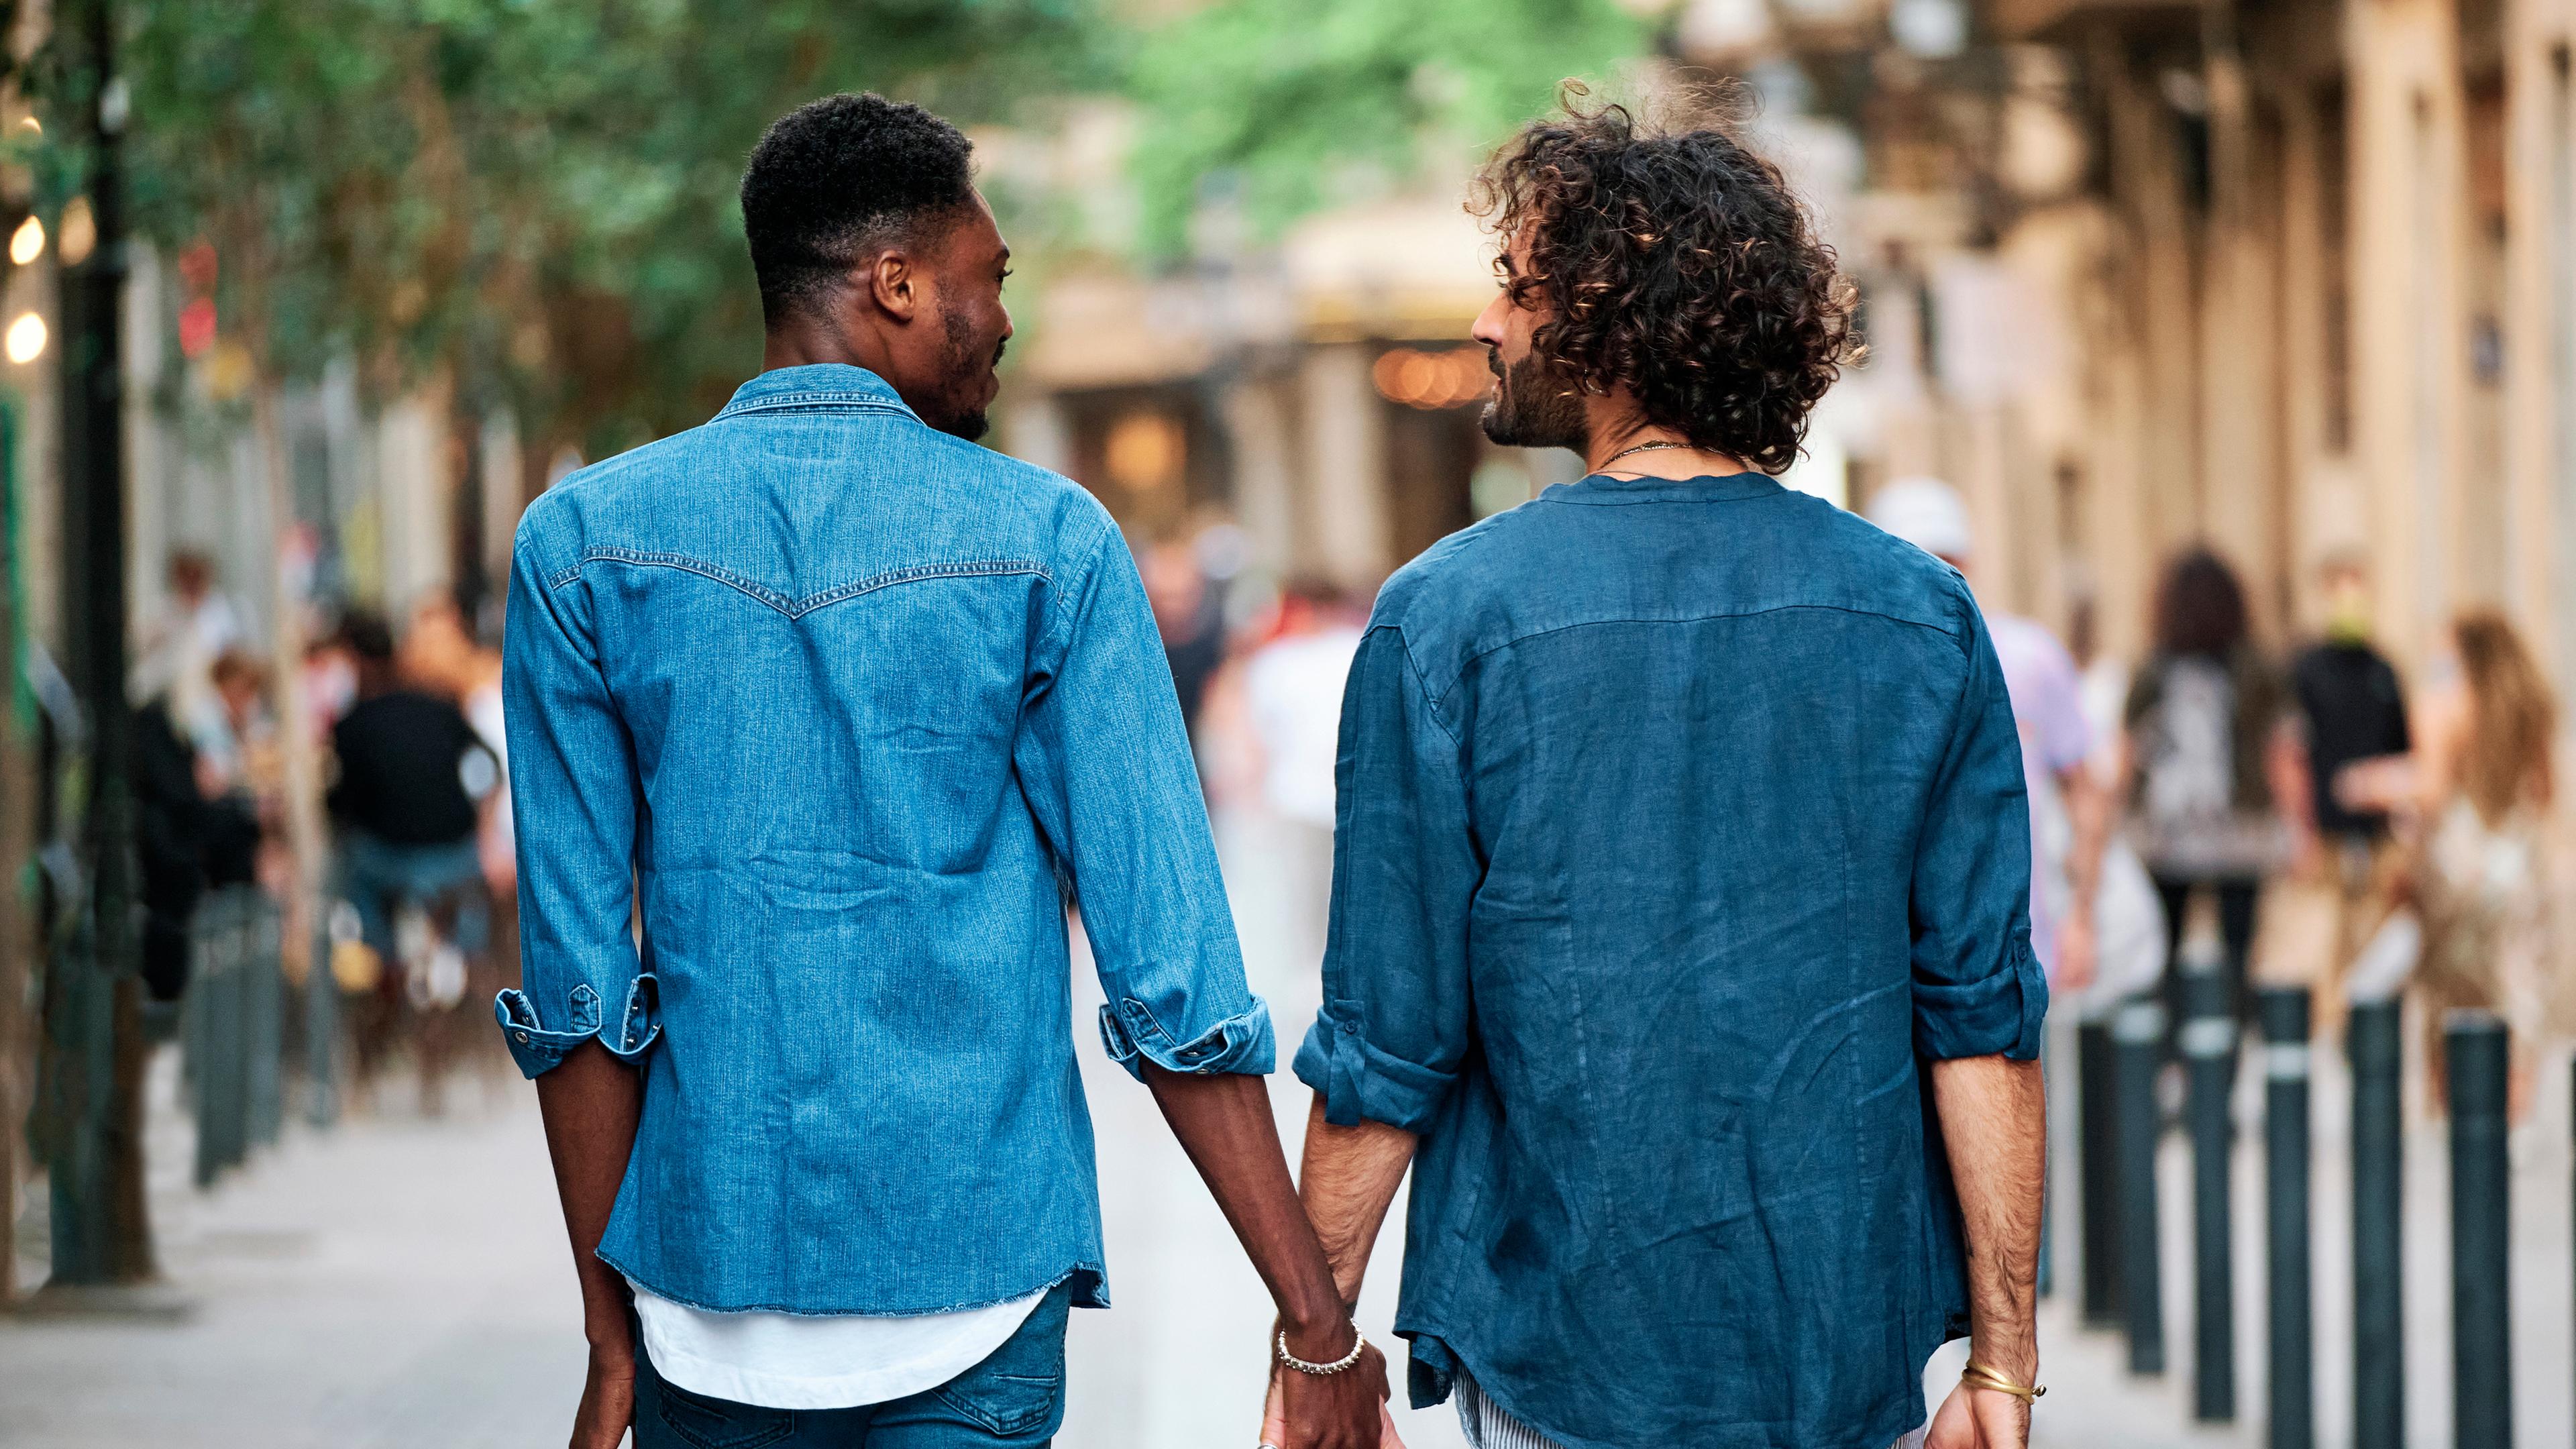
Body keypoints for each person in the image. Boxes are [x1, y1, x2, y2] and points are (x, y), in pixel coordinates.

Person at [498, 93, 1387, 1449]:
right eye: (993, 277)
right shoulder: (1051, 543)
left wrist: (609, 1337)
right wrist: (1314, 1327)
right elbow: (1172, 977)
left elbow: (575, 989)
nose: (1008, 318)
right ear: (897, 284)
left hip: (699, 1301)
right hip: (975, 1291)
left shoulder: (581, 543)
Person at [1277, 96, 2047, 1449]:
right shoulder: (1921, 616)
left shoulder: (1448, 618)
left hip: (1567, 1358)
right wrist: (2002, 1363)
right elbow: (1980, 1016)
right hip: (1840, 1354)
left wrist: (1316, 1345)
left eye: (1516, 289)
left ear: (1609, 322)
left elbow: (1389, 1046)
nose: (1486, 326)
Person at [1866, 478, 2108, 994]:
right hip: (1895, 971)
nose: (1928, 578)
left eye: (1943, 560)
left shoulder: (2028, 657)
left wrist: (2082, 920)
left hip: (2016, 957)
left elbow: (2086, 792)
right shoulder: (1860, 675)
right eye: (1913, 559)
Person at [2121, 549, 2300, 1022]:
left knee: (2167, 946)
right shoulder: (2255, 668)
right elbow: (2282, 753)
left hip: (2167, 832)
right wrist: (2301, 829)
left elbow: (2127, 750)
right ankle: (2229, 1045)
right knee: (2238, 951)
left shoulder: (2154, 668)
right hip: (2241, 830)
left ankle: (2172, 1049)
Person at [2399, 610, 2556, 1119]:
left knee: (2452, 994)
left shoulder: (2445, 709)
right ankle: (2513, 1111)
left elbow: (2432, 791)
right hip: (2517, 854)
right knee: (2518, 993)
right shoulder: (2530, 706)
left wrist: (2370, 787)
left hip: (2459, 856)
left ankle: (2458, 1120)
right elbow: (2545, 793)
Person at [2284, 552, 2410, 1026]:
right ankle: (2331, 1020)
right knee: (2324, 934)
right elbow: (2293, 752)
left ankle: (2367, 1022)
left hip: (2379, 833)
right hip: (2328, 831)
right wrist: (2303, 830)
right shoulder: (2308, 670)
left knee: (2376, 935)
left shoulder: (2383, 669)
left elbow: (2404, 748)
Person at [1240, 577, 1366, 970]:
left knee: (1307, 908)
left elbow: (1257, 737)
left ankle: (1314, 986)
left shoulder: (1277, 662)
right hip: (1350, 796)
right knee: (1356, 902)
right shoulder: (1358, 648)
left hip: (1296, 799)